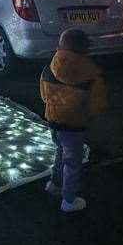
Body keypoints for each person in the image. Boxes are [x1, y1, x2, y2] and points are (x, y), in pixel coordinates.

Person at [40, 28, 107, 213]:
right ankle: (68, 200)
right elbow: (97, 104)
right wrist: (88, 115)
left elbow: (44, 95)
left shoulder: (49, 68)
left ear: (60, 46)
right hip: (74, 127)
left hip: (53, 122)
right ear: (86, 50)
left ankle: (54, 183)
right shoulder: (91, 75)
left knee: (60, 151)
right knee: (72, 162)